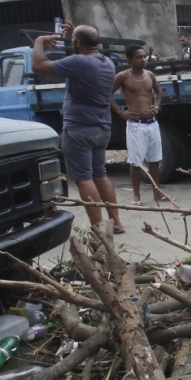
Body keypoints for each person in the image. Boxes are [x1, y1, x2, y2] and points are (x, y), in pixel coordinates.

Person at [32, 21, 124, 233]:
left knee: (84, 177)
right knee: (100, 174)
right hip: (102, 127)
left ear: (79, 43)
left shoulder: (79, 62)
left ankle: (99, 227)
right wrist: (75, 37)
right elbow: (81, 53)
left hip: (79, 128)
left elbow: (39, 65)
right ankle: (116, 222)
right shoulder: (107, 62)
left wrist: (39, 41)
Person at [111, 44, 166, 205]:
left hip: (152, 123)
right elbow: (107, 95)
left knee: (154, 160)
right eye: (139, 57)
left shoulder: (149, 75)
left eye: (143, 56)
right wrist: (121, 112)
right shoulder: (123, 76)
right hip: (136, 125)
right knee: (136, 162)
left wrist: (156, 105)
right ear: (130, 59)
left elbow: (159, 92)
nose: (143, 60)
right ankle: (136, 196)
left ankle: (158, 192)